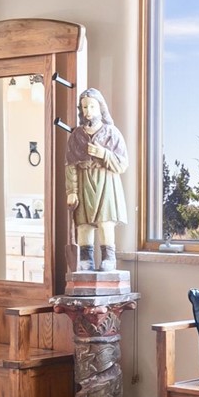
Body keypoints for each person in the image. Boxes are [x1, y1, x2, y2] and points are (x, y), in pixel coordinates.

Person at [66, 88, 128, 273]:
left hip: (105, 184)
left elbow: (122, 164)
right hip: (83, 182)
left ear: (100, 107)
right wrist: (72, 191)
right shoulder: (76, 136)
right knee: (83, 224)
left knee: (105, 222)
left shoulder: (112, 133)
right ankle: (86, 258)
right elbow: (70, 165)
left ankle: (109, 257)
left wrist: (104, 154)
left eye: (92, 106)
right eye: (85, 107)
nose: (88, 111)